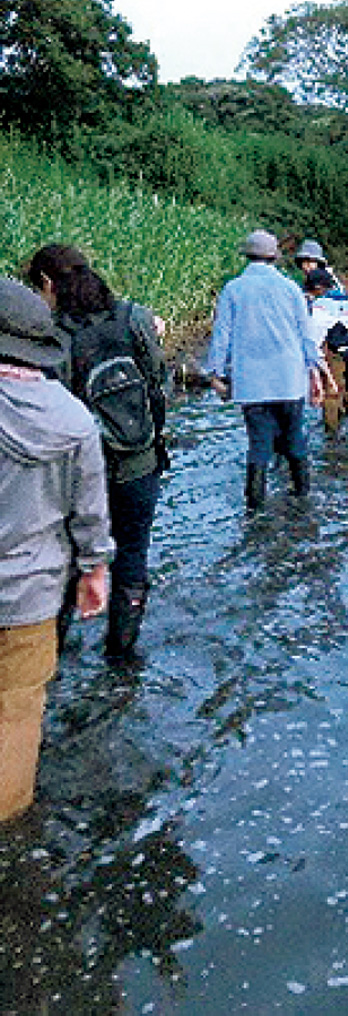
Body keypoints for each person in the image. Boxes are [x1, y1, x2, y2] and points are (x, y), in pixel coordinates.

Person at [0, 279, 113, 821]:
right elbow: (90, 515)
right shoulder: (73, 418)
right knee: (17, 717)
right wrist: (95, 571)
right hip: (32, 595)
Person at [26, 244, 168, 662]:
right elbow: (159, 385)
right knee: (133, 555)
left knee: (64, 559)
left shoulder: (52, 337)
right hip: (139, 461)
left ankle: (49, 657)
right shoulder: (134, 318)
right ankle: (121, 659)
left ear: (47, 283)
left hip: (76, 474)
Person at [207, 230, 334, 511]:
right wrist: (318, 371)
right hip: (290, 380)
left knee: (258, 446)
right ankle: (303, 503)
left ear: (247, 256)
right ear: (274, 257)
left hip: (251, 383)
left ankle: (255, 511)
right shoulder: (291, 289)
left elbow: (221, 336)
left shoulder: (233, 289)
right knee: (295, 440)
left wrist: (215, 374)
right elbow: (306, 336)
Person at [304, 267, 348, 448]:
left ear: (319, 288)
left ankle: (331, 439)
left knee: (332, 394)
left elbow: (314, 336)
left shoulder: (320, 306)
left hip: (333, 351)